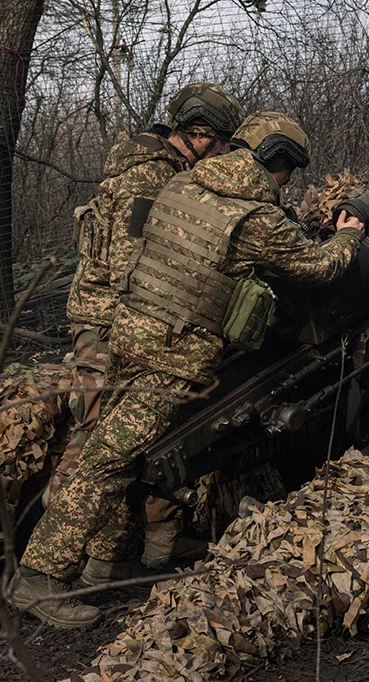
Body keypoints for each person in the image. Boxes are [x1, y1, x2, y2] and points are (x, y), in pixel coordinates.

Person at [11, 111, 366, 628]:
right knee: (106, 464)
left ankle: (113, 561)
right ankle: (39, 578)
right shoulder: (253, 221)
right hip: (171, 354)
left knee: (121, 457)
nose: (287, 182)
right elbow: (319, 269)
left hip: (127, 337)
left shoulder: (180, 185)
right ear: (274, 161)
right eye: (288, 171)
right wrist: (349, 234)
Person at [55, 83, 245, 569]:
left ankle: (152, 543)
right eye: (220, 143)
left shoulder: (164, 169)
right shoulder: (150, 179)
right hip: (109, 322)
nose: (221, 154)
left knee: (149, 430)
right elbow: (131, 267)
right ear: (198, 136)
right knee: (97, 441)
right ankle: (55, 557)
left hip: (128, 321)